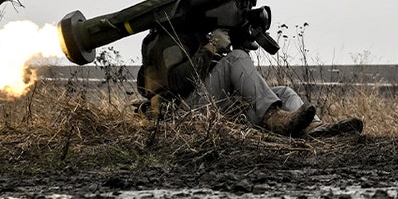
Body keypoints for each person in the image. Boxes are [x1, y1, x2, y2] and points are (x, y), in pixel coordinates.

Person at [140, 27, 363, 138]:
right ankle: (273, 117)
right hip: (183, 114)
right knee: (236, 57)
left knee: (283, 93)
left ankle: (316, 129)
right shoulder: (167, 38)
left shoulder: (196, 34)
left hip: (215, 111)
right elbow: (179, 82)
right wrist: (212, 47)